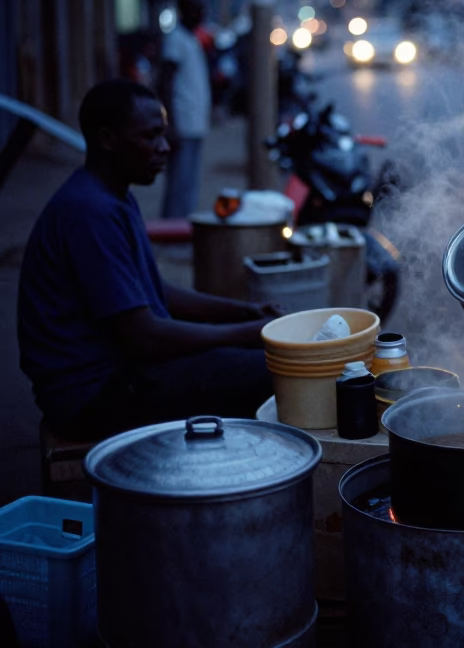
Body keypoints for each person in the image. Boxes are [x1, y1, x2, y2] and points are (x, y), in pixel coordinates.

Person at [18, 78, 279, 441]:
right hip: (93, 396)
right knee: (274, 372)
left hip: (123, 372)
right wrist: (245, 333)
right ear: (107, 139)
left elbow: (154, 289)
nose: (165, 147)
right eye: (150, 136)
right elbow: (144, 336)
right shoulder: (89, 212)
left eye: (164, 135)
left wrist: (239, 312)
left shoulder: (114, 196)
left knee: (253, 355)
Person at [159, 0, 212, 217]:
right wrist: (169, 123)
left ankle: (180, 226)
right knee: (179, 182)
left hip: (194, 121)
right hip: (182, 122)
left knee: (189, 182)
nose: (200, 16)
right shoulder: (176, 39)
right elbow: (165, 82)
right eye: (195, 10)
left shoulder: (192, 39)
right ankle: (172, 227)